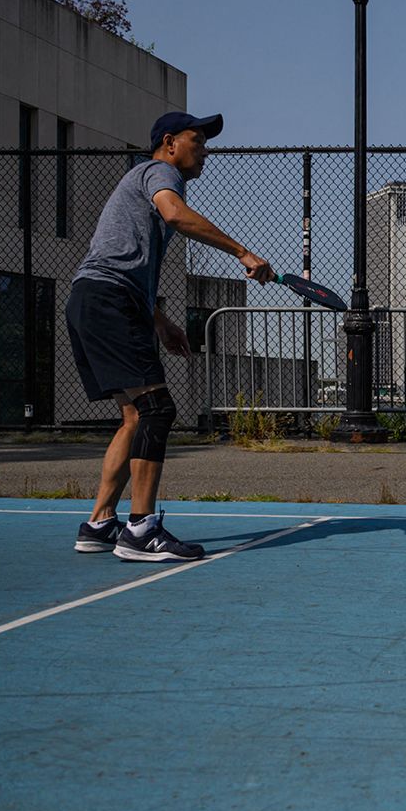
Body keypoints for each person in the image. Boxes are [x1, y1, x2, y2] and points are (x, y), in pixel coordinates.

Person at [65, 112, 273, 561]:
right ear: (169, 143)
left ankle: (100, 522)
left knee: (136, 416)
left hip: (93, 299)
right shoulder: (158, 172)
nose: (204, 150)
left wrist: (159, 321)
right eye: (196, 140)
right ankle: (140, 530)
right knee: (158, 408)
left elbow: (125, 259)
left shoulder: (141, 180)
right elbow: (175, 214)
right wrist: (242, 252)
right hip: (108, 300)